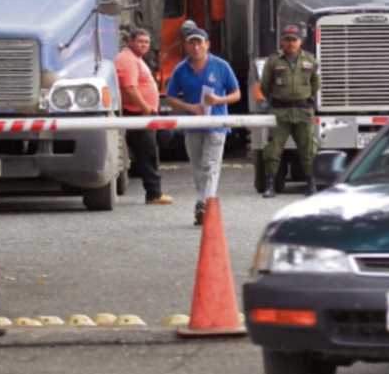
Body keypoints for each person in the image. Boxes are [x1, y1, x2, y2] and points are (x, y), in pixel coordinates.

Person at [165, 27, 241, 225]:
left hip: (217, 124)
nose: (196, 46)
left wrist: (218, 99)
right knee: (198, 167)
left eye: (200, 42)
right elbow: (171, 98)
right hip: (193, 124)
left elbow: (236, 94)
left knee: (211, 165)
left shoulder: (221, 66)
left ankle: (203, 203)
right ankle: (203, 203)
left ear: (207, 44)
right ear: (186, 46)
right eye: (192, 42)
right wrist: (188, 106)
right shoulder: (180, 69)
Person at [258, 25, 320, 198]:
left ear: (300, 41)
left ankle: (311, 184)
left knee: (308, 149)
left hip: (303, 111)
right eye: (287, 39)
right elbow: (265, 85)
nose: (291, 43)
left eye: (294, 40)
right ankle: (270, 185)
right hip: (280, 111)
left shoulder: (310, 60)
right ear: (281, 41)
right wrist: (276, 98)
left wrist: (304, 96)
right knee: (273, 150)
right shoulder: (273, 61)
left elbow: (316, 83)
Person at [115, 29, 171, 205]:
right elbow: (130, 88)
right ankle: (154, 194)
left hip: (148, 112)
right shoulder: (128, 60)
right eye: (140, 41)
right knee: (148, 154)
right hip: (139, 113)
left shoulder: (136, 59)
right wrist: (145, 108)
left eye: (147, 42)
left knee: (165, 135)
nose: (144, 45)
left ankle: (134, 149)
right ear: (130, 41)